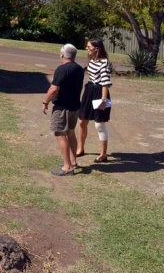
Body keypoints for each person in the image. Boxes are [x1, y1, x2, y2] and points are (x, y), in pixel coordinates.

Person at [42, 43, 84, 175]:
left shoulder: (62, 69)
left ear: (62, 55)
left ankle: (67, 167)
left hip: (62, 107)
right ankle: (73, 161)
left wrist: (45, 102)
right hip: (75, 107)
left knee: (60, 133)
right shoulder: (79, 69)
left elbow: (54, 88)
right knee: (70, 132)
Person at [77, 38, 114, 162]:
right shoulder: (91, 60)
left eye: (89, 47)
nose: (87, 49)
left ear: (96, 48)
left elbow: (105, 83)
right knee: (82, 121)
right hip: (89, 91)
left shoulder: (104, 62)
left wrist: (103, 99)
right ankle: (80, 149)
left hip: (99, 92)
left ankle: (103, 154)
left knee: (99, 124)